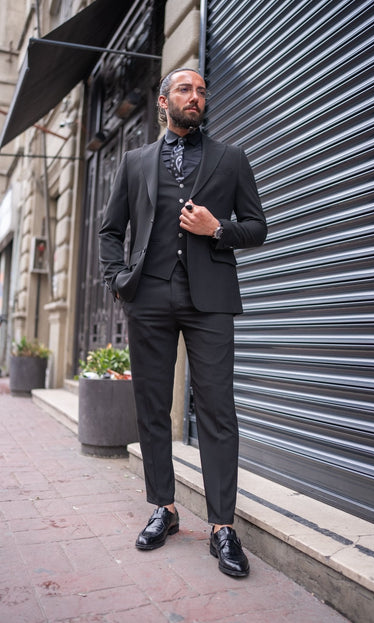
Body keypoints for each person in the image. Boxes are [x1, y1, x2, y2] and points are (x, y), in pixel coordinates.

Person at [99, 68, 267, 577]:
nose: (195, 97)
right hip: (148, 295)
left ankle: (222, 527)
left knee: (216, 409)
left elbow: (258, 226)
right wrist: (118, 280)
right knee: (153, 406)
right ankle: (164, 508)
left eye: (200, 91)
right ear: (163, 100)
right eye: (185, 90)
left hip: (210, 298)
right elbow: (111, 230)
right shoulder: (134, 161)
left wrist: (219, 229)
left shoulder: (231, 158)